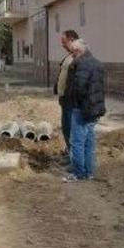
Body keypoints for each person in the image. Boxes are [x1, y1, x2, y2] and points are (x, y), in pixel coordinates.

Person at [63, 38, 106, 182]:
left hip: (81, 109)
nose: (72, 55)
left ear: (78, 51)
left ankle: (79, 173)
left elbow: (79, 88)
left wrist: (72, 101)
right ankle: (89, 172)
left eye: (73, 52)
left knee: (77, 142)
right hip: (95, 108)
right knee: (89, 142)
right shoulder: (97, 64)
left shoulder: (81, 64)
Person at [53, 29, 79, 166]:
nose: (62, 45)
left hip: (72, 101)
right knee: (66, 128)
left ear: (72, 40)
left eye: (64, 42)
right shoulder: (70, 56)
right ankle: (71, 156)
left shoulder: (79, 56)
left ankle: (75, 161)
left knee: (71, 129)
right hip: (66, 100)